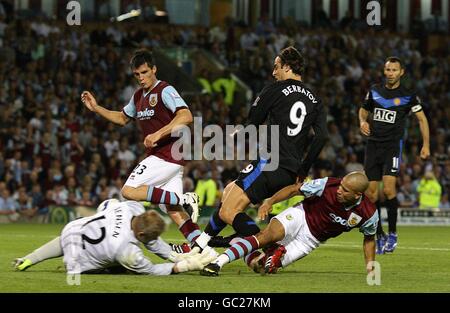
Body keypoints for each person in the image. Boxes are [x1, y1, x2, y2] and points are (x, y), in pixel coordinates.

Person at [193, 46, 328, 251]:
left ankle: (267, 244)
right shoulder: (315, 99)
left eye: (276, 67)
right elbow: (322, 137)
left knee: (228, 211)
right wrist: (303, 169)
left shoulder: (274, 89)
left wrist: (237, 132)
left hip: (270, 163)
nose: (273, 73)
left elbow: (253, 121)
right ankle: (199, 246)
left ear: (288, 67)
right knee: (230, 191)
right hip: (290, 170)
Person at [81, 49, 201, 249]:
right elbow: (122, 118)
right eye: (137, 74)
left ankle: (185, 197)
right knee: (174, 210)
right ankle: (202, 247)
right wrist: (97, 108)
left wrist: (158, 134)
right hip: (168, 159)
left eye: (145, 72)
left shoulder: (165, 90)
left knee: (128, 191)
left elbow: (186, 116)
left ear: (154, 69)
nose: (141, 78)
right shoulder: (138, 96)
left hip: (166, 154)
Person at [200, 172, 378, 276]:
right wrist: (270, 202)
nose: (339, 190)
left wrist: (371, 267)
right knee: (267, 236)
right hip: (301, 215)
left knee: (262, 268)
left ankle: (234, 241)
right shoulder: (328, 184)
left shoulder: (368, 214)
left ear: (357, 195)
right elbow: (295, 189)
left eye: (345, 190)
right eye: (340, 185)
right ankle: (217, 263)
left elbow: (369, 239)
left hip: (310, 241)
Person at [13, 200, 216, 275]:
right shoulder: (127, 251)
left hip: (72, 229)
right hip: (77, 264)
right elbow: (151, 270)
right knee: (122, 268)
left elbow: (106, 205)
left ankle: (29, 259)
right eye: (147, 238)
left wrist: (173, 255)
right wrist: (182, 266)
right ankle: (109, 267)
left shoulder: (130, 207)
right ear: (141, 235)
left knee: (76, 233)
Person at [359, 56, 430, 254]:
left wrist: (426, 145)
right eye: (388, 69)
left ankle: (393, 233)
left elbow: (422, 120)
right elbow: (363, 111)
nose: (390, 73)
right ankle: (379, 234)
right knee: (371, 194)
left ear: (401, 72)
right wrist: (362, 122)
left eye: (394, 70)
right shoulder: (374, 91)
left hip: (392, 146)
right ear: (384, 71)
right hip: (373, 146)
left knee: (389, 190)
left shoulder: (408, 95)